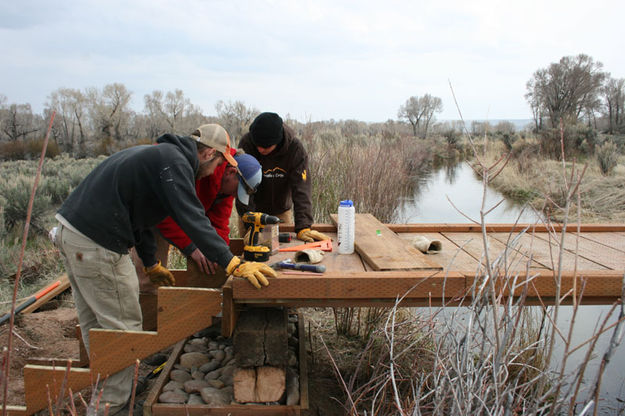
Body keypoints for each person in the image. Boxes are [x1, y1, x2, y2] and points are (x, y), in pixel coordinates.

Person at [53, 124, 275, 415]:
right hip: (98, 243)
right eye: (220, 161)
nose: (218, 168)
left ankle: (104, 393)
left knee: (98, 327)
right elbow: (190, 215)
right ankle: (111, 406)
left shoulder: (164, 158)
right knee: (124, 331)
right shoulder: (174, 163)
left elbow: (141, 217)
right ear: (209, 152)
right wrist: (231, 262)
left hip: (74, 234)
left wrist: (150, 262)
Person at [154, 152, 262, 279]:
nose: (234, 196)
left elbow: (219, 224)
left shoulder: (225, 186)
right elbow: (165, 214)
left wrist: (223, 257)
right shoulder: (201, 169)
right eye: (236, 190)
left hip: (178, 215)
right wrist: (191, 247)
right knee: (152, 277)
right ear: (231, 172)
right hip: (154, 211)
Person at [236, 112, 330, 242]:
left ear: (278, 141)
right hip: (252, 212)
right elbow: (243, 186)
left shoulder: (295, 150)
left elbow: (301, 189)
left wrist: (303, 226)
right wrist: (251, 223)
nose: (260, 150)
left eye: (265, 147)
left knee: (283, 250)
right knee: (250, 252)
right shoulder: (247, 144)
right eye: (257, 145)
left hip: (280, 212)